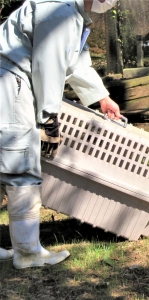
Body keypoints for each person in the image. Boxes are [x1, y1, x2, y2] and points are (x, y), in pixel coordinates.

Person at [0, 0, 122, 269]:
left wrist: (102, 97)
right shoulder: (61, 11)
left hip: (7, 78)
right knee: (20, 163)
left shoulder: (68, 11)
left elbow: (74, 63)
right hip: (10, 82)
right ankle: (28, 252)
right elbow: (48, 64)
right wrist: (49, 115)